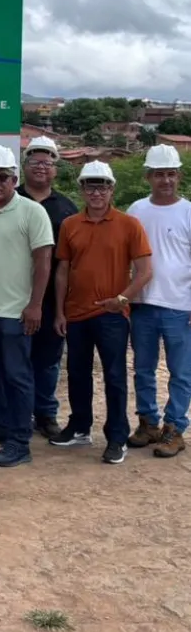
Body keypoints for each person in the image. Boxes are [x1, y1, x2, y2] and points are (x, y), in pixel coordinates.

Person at [52, 161, 152, 465]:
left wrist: (121, 300)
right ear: (82, 189)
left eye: (103, 185)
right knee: (77, 373)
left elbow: (145, 271)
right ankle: (80, 426)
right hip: (76, 313)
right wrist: (59, 311)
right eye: (90, 185)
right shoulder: (71, 225)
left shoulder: (129, 224)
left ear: (112, 189)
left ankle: (117, 436)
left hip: (112, 316)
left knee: (114, 376)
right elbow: (62, 272)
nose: (97, 192)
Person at [0, 146, 53, 467]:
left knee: (18, 376)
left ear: (14, 179)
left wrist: (35, 305)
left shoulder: (32, 212)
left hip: (15, 313)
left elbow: (43, 260)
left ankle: (19, 441)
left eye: (2, 177)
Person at [128, 145, 191, 458]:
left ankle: (175, 428)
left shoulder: (188, 211)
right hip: (143, 304)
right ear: (148, 177)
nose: (165, 180)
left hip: (180, 307)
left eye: (170, 173)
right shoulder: (137, 210)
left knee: (181, 372)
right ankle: (148, 423)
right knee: (143, 369)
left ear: (178, 175)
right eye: (159, 174)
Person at [17, 137, 78, 440]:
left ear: (55, 170)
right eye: (34, 162)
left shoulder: (67, 209)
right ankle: (20, 414)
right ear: (23, 167)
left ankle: (45, 413)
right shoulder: (10, 200)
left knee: (48, 358)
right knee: (18, 359)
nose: (41, 168)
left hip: (53, 298)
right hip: (14, 295)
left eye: (47, 163)